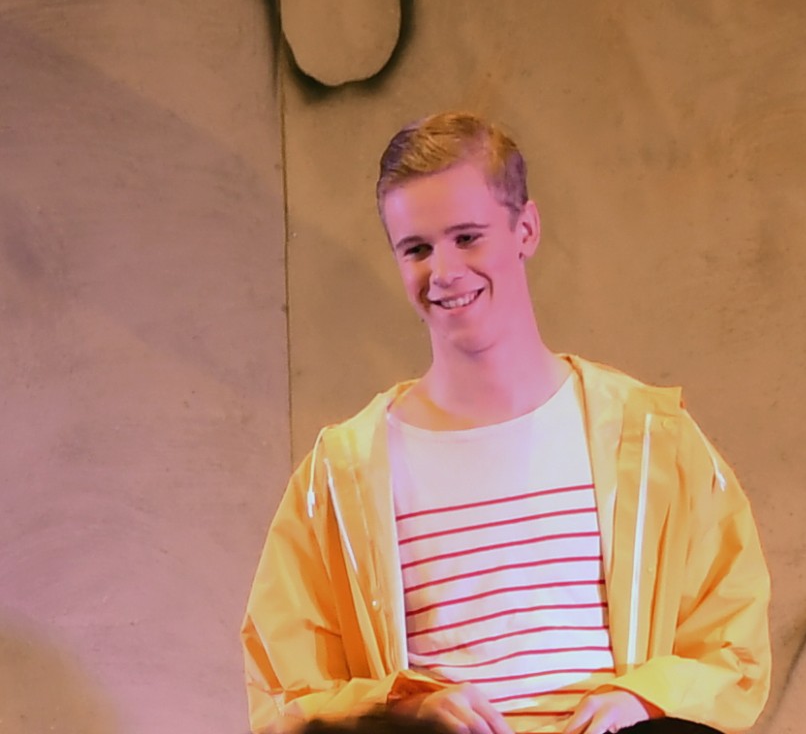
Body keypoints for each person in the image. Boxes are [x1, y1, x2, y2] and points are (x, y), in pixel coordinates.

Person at [241, 112, 771, 734]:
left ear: (526, 229)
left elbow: (733, 647)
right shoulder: (341, 476)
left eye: (467, 237)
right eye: (417, 248)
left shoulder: (651, 438)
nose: (444, 271)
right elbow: (287, 693)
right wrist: (406, 705)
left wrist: (644, 700)